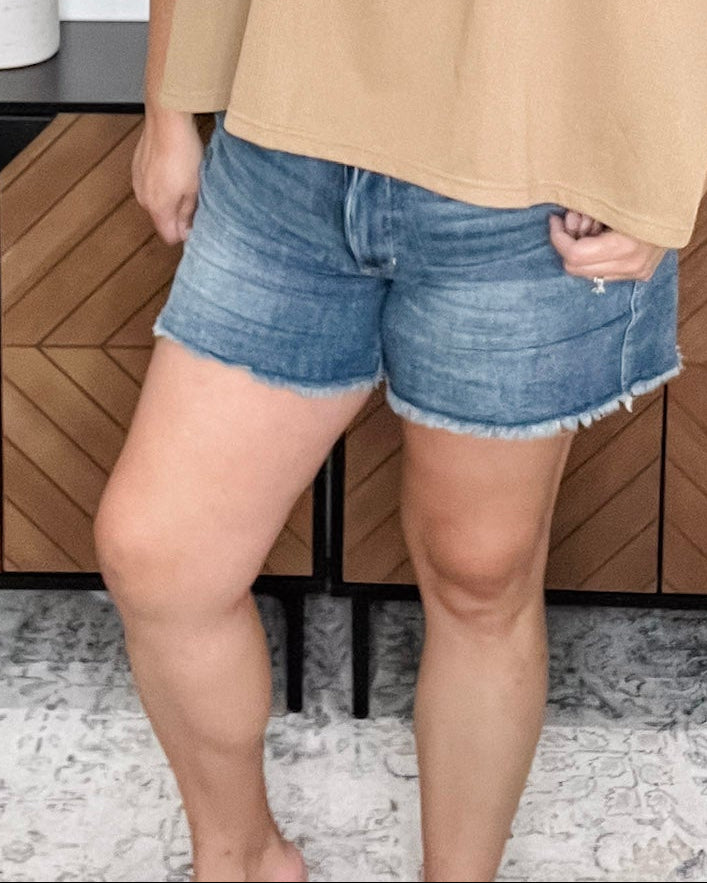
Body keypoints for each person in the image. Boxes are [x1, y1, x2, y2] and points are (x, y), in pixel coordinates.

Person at [93, 2, 707, 880]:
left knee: (479, 574)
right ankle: (240, 860)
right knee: (160, 556)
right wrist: (164, 105)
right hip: (283, 141)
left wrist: (663, 152)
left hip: (539, 165)